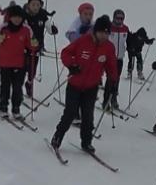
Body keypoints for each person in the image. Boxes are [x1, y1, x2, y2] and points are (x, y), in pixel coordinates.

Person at [50, 15, 117, 154]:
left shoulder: (109, 47)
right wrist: (72, 65)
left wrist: (113, 80)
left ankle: (86, 142)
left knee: (88, 117)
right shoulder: (83, 40)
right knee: (70, 113)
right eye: (102, 32)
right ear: (95, 31)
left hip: (91, 87)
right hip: (75, 84)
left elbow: (111, 66)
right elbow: (66, 53)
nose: (104, 35)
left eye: (107, 33)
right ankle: (57, 137)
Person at [0, 4, 38, 120]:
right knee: (5, 87)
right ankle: (3, 108)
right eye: (15, 17)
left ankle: (16, 109)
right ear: (10, 17)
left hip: (20, 64)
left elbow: (32, 44)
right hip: (5, 63)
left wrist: (35, 44)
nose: (17, 19)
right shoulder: (3, 28)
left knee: (17, 88)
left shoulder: (26, 29)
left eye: (19, 17)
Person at [22, 0, 57, 99]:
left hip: (37, 46)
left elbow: (48, 26)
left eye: (38, 5)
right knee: (22, 68)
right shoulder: (24, 14)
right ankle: (16, 89)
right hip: (24, 46)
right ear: (29, 5)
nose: (36, 7)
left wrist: (52, 30)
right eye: (33, 4)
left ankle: (29, 83)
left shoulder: (42, 14)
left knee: (32, 70)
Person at [103, 9, 129, 111]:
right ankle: (106, 101)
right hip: (109, 58)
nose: (119, 20)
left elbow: (129, 41)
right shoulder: (109, 28)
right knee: (110, 80)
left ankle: (113, 99)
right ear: (114, 18)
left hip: (119, 58)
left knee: (116, 80)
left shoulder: (125, 29)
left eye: (121, 18)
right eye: (117, 18)